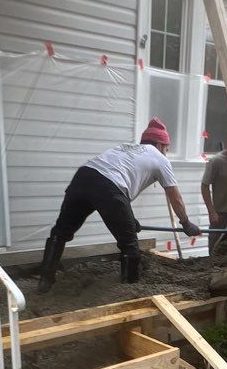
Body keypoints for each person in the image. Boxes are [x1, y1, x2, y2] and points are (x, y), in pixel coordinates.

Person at [37, 119, 199, 292]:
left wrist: (130, 220)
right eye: (166, 149)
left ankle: (45, 280)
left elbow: (116, 183)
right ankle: (129, 291)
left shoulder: (125, 148)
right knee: (130, 245)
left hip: (83, 176)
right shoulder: (160, 159)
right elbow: (175, 197)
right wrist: (186, 223)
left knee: (61, 232)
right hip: (108, 187)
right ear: (160, 145)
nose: (166, 153)